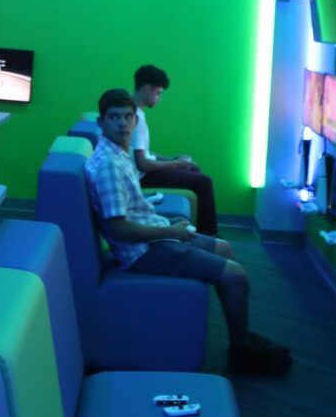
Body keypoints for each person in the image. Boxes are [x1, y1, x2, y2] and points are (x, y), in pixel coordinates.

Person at [87, 89, 288, 375]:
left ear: (135, 120)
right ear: (101, 122)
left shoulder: (118, 154)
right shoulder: (108, 165)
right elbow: (118, 228)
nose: (122, 123)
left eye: (127, 117)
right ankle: (241, 350)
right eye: (114, 117)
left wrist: (169, 229)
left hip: (156, 235)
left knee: (227, 249)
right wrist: (172, 232)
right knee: (237, 275)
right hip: (144, 252)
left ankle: (239, 335)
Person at [129, 64, 218, 235]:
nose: (159, 98)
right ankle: (208, 234)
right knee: (204, 182)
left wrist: (171, 159)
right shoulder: (134, 117)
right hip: (142, 177)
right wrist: (176, 164)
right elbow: (142, 164)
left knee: (194, 169)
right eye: (158, 93)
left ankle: (197, 230)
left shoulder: (134, 112)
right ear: (147, 89)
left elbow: (143, 151)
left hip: (144, 172)